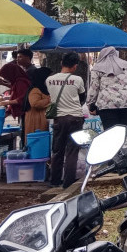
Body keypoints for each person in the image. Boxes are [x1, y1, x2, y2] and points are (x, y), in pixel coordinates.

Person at [46, 52, 86, 188]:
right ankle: (68, 183)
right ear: (75, 66)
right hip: (75, 118)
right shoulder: (77, 80)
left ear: (61, 63)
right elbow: (82, 98)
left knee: (57, 150)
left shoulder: (49, 80)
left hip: (58, 119)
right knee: (72, 151)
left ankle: (54, 180)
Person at [87, 47, 127, 138]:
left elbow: (94, 88)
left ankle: (115, 152)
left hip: (107, 106)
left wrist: (90, 104)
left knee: (111, 135)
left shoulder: (97, 68)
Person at [0, 63, 31, 135]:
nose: (7, 79)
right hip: (23, 113)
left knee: (25, 134)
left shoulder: (21, 82)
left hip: (27, 113)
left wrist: (6, 102)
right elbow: (15, 90)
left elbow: (22, 98)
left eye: (6, 76)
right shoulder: (17, 81)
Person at [24, 67, 52, 136]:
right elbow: (35, 103)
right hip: (36, 120)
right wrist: (49, 100)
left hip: (42, 119)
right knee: (37, 140)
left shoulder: (44, 89)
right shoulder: (35, 90)